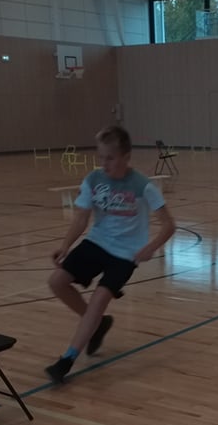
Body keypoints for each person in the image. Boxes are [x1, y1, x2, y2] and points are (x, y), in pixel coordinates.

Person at [45, 125, 176, 383]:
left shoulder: (143, 186)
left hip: (126, 254)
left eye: (110, 158)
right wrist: (66, 245)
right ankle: (98, 324)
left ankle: (67, 359)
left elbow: (169, 225)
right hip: (97, 242)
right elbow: (81, 218)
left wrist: (150, 247)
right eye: (101, 157)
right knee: (56, 281)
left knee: (99, 299)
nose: (104, 164)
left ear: (126, 157)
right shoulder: (93, 180)